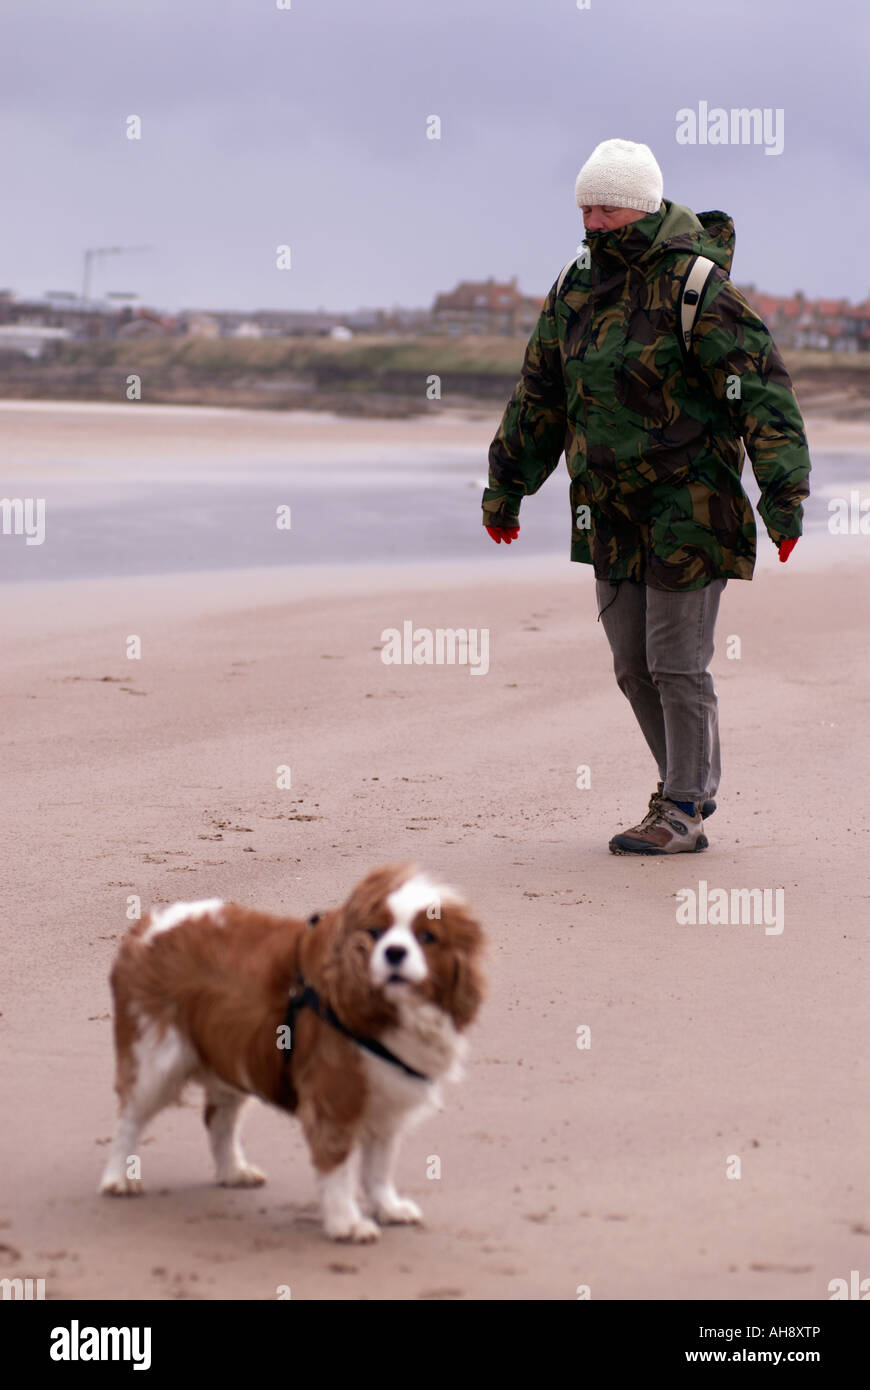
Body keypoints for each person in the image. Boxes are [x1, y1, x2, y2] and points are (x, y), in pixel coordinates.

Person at [481, 137, 811, 855]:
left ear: (639, 205)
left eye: (603, 208)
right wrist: (505, 485)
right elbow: (539, 397)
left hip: (691, 510)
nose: (591, 221)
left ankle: (685, 805)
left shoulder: (698, 290)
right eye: (584, 208)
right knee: (632, 665)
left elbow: (764, 395)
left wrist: (783, 497)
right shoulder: (572, 289)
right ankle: (681, 790)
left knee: (675, 661)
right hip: (608, 511)